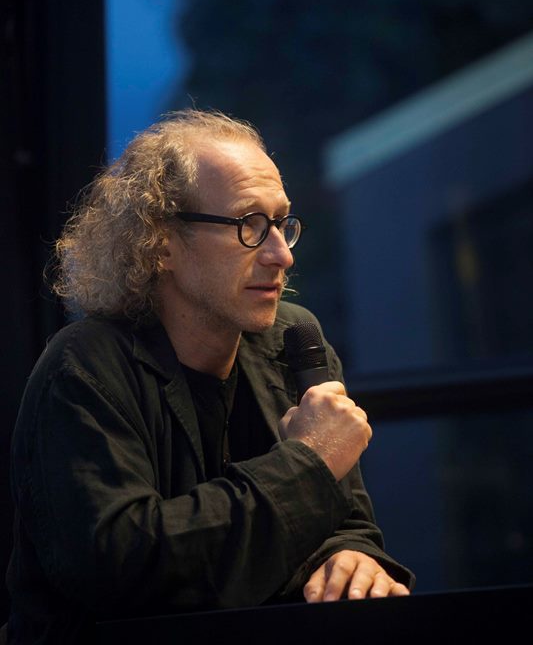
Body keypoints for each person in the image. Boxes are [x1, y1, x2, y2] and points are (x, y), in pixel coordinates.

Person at [6, 109, 414, 643]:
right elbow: (126, 568)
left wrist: (353, 558)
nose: (281, 255)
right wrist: (309, 462)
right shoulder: (84, 366)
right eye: (250, 226)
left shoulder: (293, 341)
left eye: (282, 223)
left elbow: (347, 524)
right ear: (162, 242)